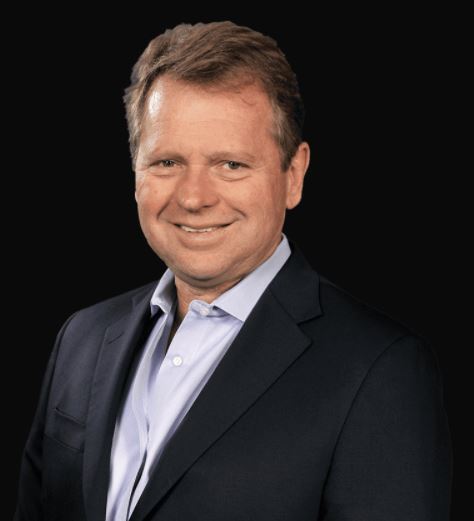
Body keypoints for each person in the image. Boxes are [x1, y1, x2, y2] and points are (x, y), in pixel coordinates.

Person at [15, 21, 452, 521]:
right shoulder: (81, 338)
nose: (194, 197)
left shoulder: (380, 371)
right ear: (136, 172)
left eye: (231, 165)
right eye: (167, 162)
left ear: (293, 175)